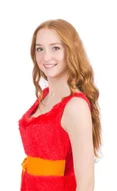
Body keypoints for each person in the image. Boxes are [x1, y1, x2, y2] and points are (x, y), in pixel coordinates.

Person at [19, 19, 101, 191]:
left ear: (70, 51)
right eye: (39, 48)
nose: (46, 57)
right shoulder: (45, 96)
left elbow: (86, 184)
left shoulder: (75, 106)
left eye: (55, 48)